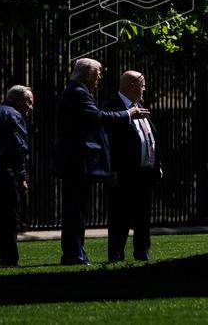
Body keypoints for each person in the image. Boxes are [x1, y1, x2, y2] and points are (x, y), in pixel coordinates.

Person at [51, 57, 149, 265]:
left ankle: (76, 252)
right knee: (75, 211)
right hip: (76, 162)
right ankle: (74, 254)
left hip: (74, 162)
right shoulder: (78, 93)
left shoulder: (75, 91)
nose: (99, 78)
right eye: (98, 73)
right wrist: (128, 114)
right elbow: (98, 117)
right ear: (87, 74)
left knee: (75, 210)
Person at [103, 70, 162, 262]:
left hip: (144, 171)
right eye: (142, 85)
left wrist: (155, 163)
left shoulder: (139, 105)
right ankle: (116, 254)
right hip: (123, 173)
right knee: (120, 216)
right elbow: (108, 142)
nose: (144, 89)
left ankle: (142, 252)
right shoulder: (112, 107)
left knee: (143, 216)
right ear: (132, 85)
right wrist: (111, 169)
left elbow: (148, 136)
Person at [0, 84, 33, 267]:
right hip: (7, 173)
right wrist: (22, 177)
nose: (30, 107)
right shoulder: (15, 115)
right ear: (18, 100)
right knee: (8, 218)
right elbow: (18, 148)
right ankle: (9, 258)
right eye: (28, 102)